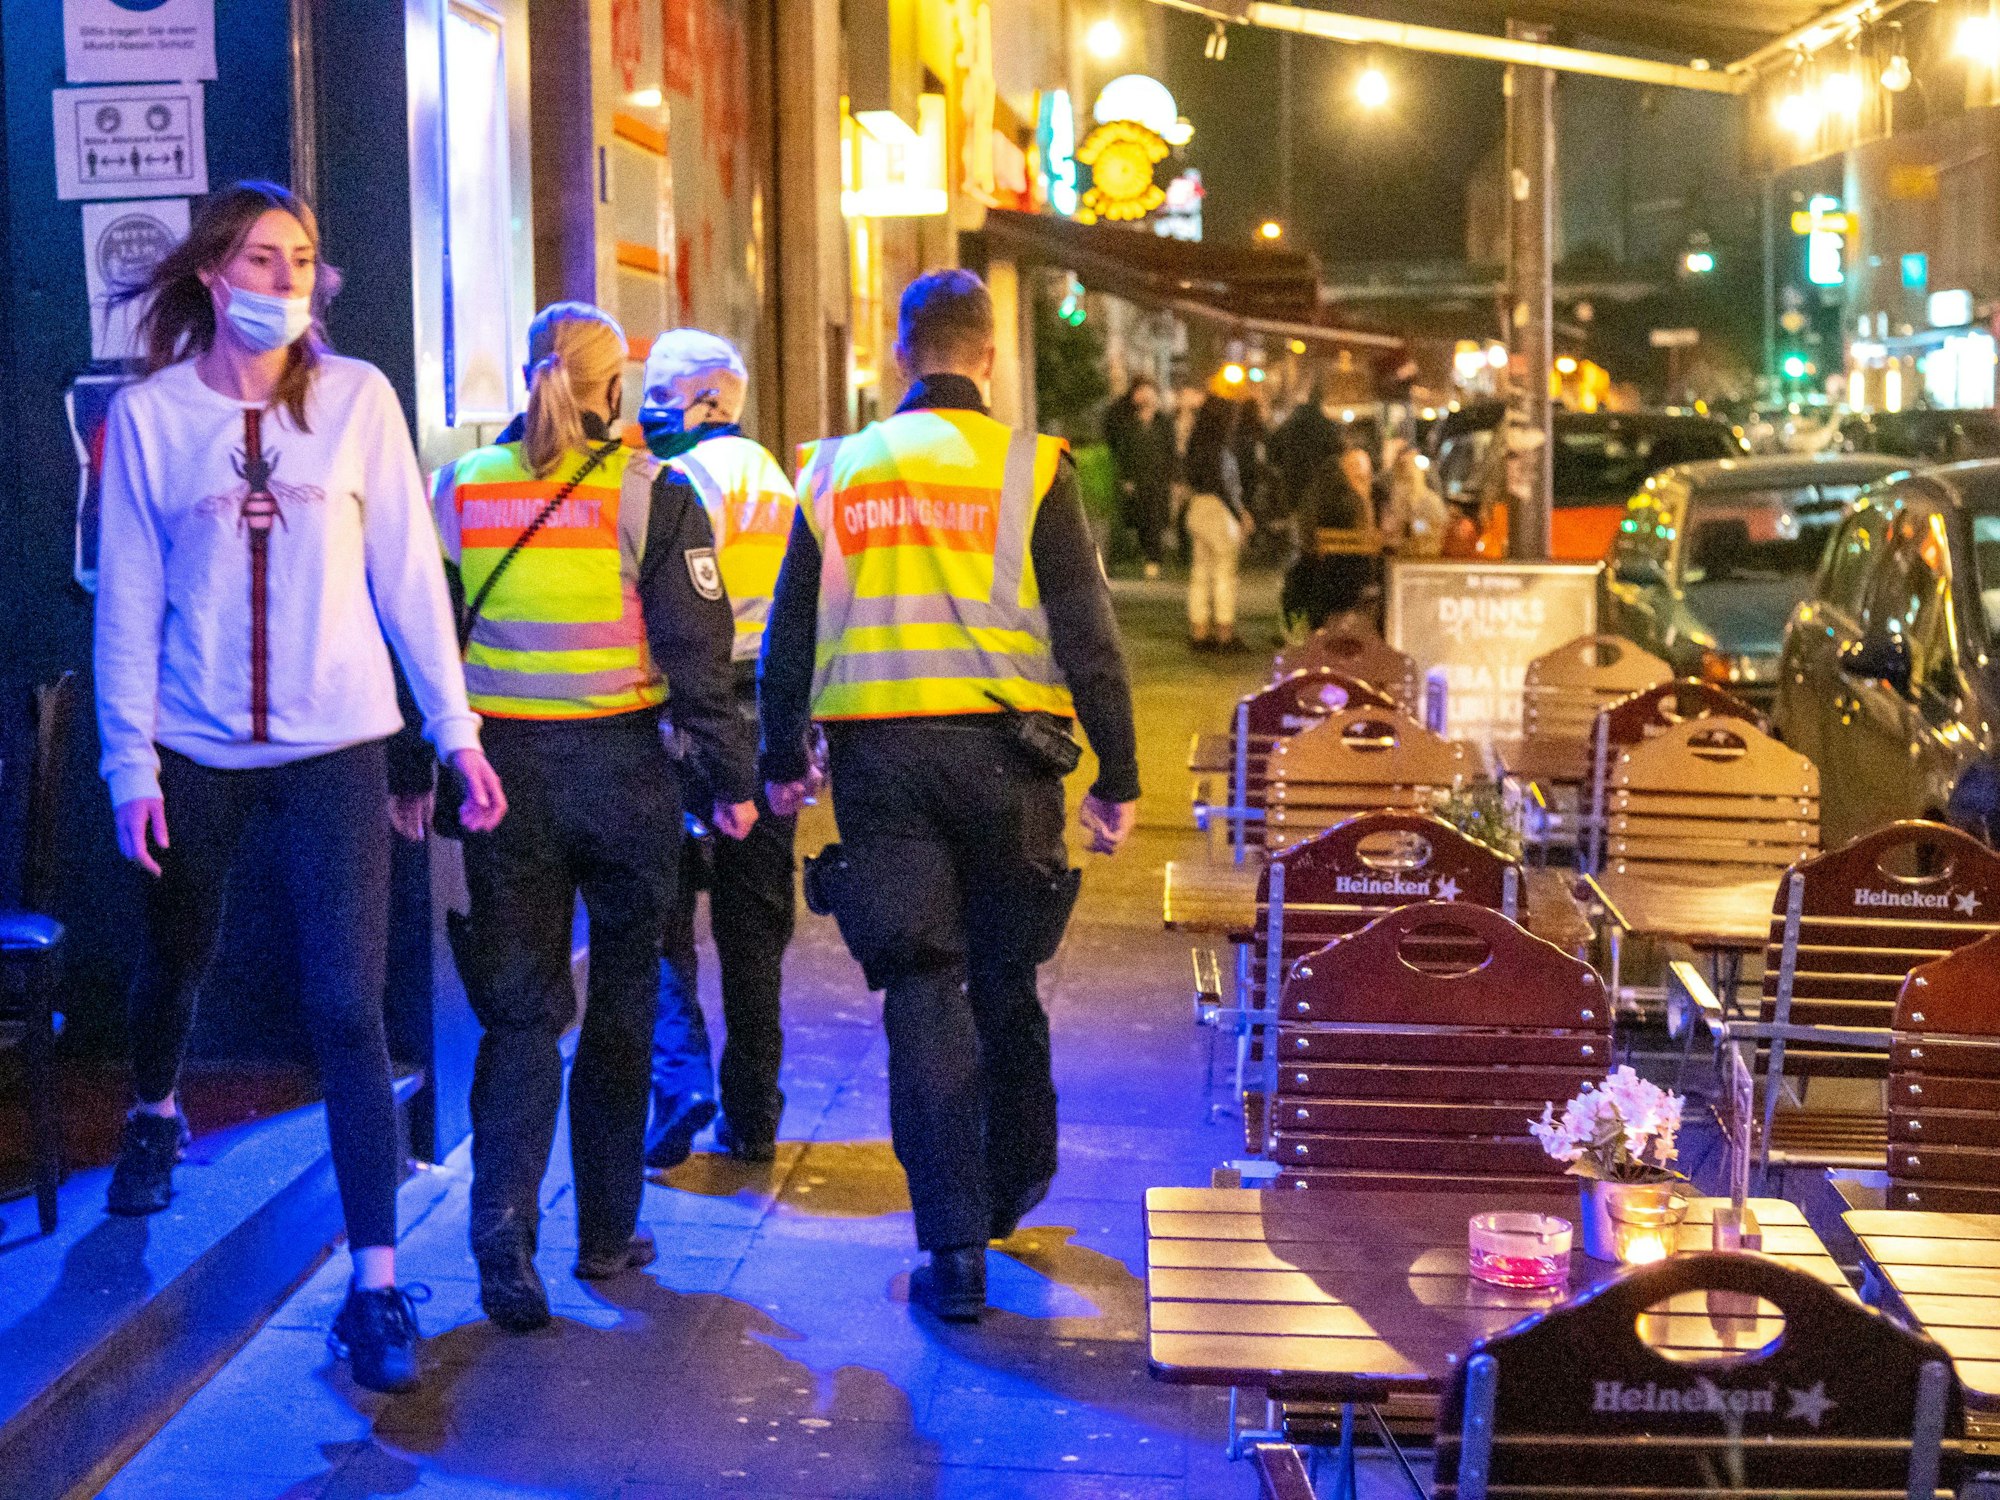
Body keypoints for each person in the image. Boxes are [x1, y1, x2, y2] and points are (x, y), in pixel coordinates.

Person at [94, 181, 506, 1393]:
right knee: (179, 951)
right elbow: (128, 603)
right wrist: (129, 761)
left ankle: (375, 1288)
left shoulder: (358, 401)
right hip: (198, 742)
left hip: (338, 740)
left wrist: (453, 730)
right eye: (262, 262)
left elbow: (406, 581)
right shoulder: (153, 420)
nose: (283, 283)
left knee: (347, 1009)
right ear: (214, 276)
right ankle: (156, 1106)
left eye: (302, 263)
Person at [760, 269, 1140, 1322]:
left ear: (898, 354)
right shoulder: (1030, 467)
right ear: (987, 358)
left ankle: (954, 1249)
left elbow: (790, 630)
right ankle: (1014, 1178)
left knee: (922, 988)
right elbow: (1087, 634)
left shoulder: (832, 471)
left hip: (880, 766)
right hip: (1009, 763)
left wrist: (777, 756)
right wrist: (1118, 773)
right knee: (1004, 975)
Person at [427, 303, 757, 1334]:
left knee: (520, 1013)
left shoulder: (461, 489)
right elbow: (698, 654)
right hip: (621, 776)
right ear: (613, 389)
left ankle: (502, 1218)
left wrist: (415, 766)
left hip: (502, 775)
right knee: (620, 999)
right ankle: (606, 1233)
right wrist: (732, 778)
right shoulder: (650, 494)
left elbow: (421, 635)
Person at [634, 329, 801, 1170]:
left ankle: (680, 1078)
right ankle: (756, 1109)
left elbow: (670, 606)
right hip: (766, 713)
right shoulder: (775, 476)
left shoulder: (681, 480)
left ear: (702, 401)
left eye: (658, 392)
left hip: (690, 714)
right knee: (755, 928)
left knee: (664, 912)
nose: (645, 408)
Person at [1182, 395, 1251, 650]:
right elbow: (1225, 486)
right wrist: (1239, 513)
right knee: (1224, 572)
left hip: (1197, 507)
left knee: (1200, 571)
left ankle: (1199, 629)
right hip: (1219, 512)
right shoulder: (1220, 450)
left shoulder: (1195, 446)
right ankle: (1224, 630)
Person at [1103, 377, 1174, 577]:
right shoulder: (1127, 421)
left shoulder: (1163, 421)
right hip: (1137, 478)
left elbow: (1170, 450)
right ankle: (1146, 554)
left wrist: (1174, 477)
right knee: (1141, 517)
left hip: (1159, 479)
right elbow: (1122, 449)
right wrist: (1126, 478)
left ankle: (1154, 558)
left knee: (1156, 517)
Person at [1379, 447, 1448, 558]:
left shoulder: (1431, 501)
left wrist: (1411, 524)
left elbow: (1436, 528)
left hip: (1425, 557)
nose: (1406, 472)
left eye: (1409, 466)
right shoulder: (1392, 501)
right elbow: (1387, 530)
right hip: (1398, 558)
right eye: (1401, 467)